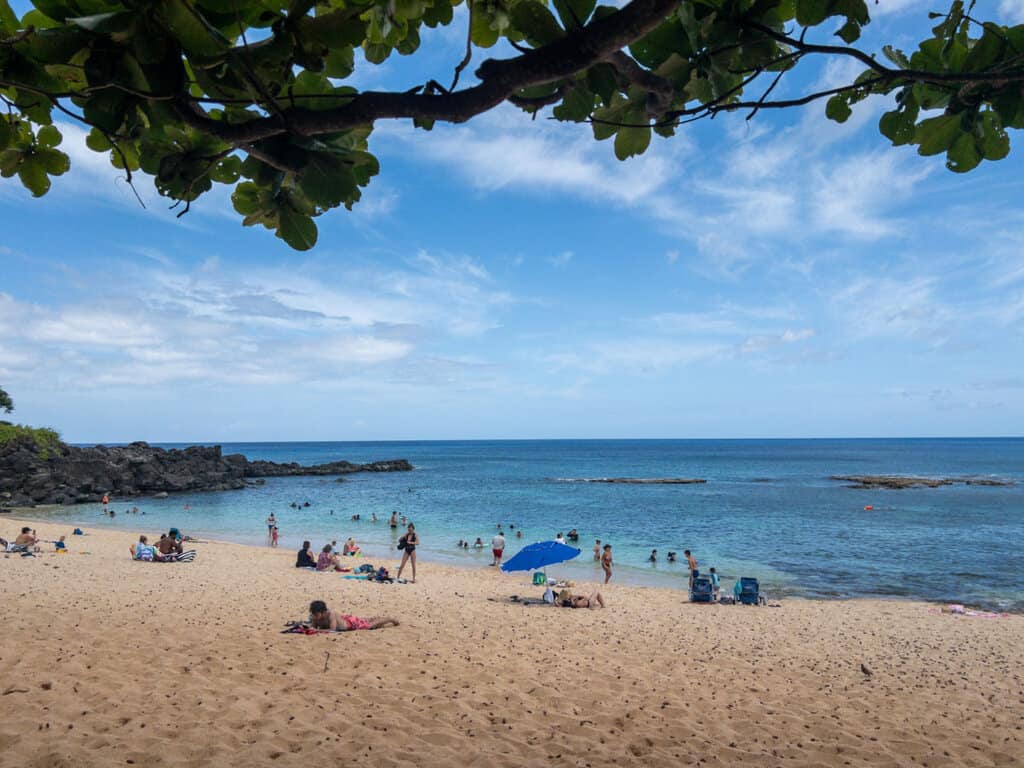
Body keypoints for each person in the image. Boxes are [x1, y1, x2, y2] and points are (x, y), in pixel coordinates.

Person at [308, 600, 399, 631]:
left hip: (350, 624)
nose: (314, 616)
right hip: (345, 619)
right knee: (365, 620)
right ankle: (375, 618)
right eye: (314, 614)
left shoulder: (331, 614)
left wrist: (317, 630)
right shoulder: (315, 617)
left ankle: (389, 619)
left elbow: (332, 630)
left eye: (316, 614)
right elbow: (312, 627)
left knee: (369, 626)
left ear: (323, 612)